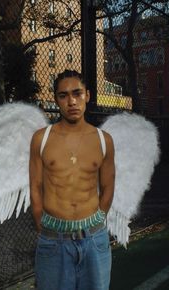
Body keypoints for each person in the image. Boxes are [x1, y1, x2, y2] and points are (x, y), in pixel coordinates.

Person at [29, 70, 115, 290]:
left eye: (77, 93)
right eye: (63, 95)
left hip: (94, 240)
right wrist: (42, 225)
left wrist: (95, 223)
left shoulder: (103, 140)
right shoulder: (41, 138)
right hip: (53, 240)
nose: (71, 101)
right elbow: (35, 188)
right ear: (56, 99)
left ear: (87, 95)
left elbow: (107, 187)